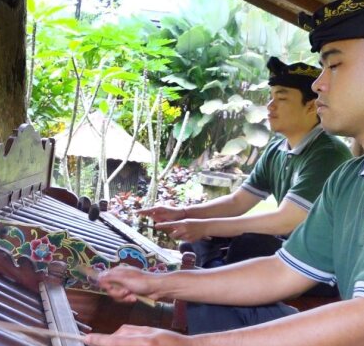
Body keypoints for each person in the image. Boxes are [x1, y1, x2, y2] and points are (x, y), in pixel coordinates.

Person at [84, 0, 364, 346]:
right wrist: (161, 283)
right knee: (207, 302)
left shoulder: (331, 160)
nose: (318, 85)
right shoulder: (351, 178)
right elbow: (282, 272)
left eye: (334, 66)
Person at [140, 58, 351, 269]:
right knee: (199, 239)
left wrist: (203, 227)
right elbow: (236, 203)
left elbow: (285, 220)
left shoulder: (328, 154)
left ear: (311, 106)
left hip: (320, 263)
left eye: (281, 98)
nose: (270, 106)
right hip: (287, 248)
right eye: (270, 97)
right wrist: (185, 214)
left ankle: (214, 269)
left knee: (248, 245)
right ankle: (215, 267)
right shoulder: (276, 149)